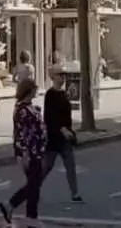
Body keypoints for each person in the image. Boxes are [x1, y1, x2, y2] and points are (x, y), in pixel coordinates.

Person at [0, 78, 47, 224]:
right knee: (34, 185)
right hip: (31, 152)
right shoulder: (23, 110)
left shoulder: (30, 107)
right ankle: (20, 210)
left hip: (37, 150)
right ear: (29, 90)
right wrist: (24, 153)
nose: (36, 92)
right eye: (34, 89)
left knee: (34, 184)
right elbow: (22, 133)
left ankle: (28, 215)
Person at [42, 66, 81, 202]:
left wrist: (70, 131)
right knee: (46, 167)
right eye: (60, 75)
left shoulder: (64, 94)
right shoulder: (50, 95)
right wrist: (61, 129)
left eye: (64, 75)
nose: (63, 78)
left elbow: (67, 116)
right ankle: (32, 189)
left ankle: (75, 194)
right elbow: (49, 118)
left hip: (66, 138)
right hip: (54, 138)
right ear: (53, 77)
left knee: (70, 166)